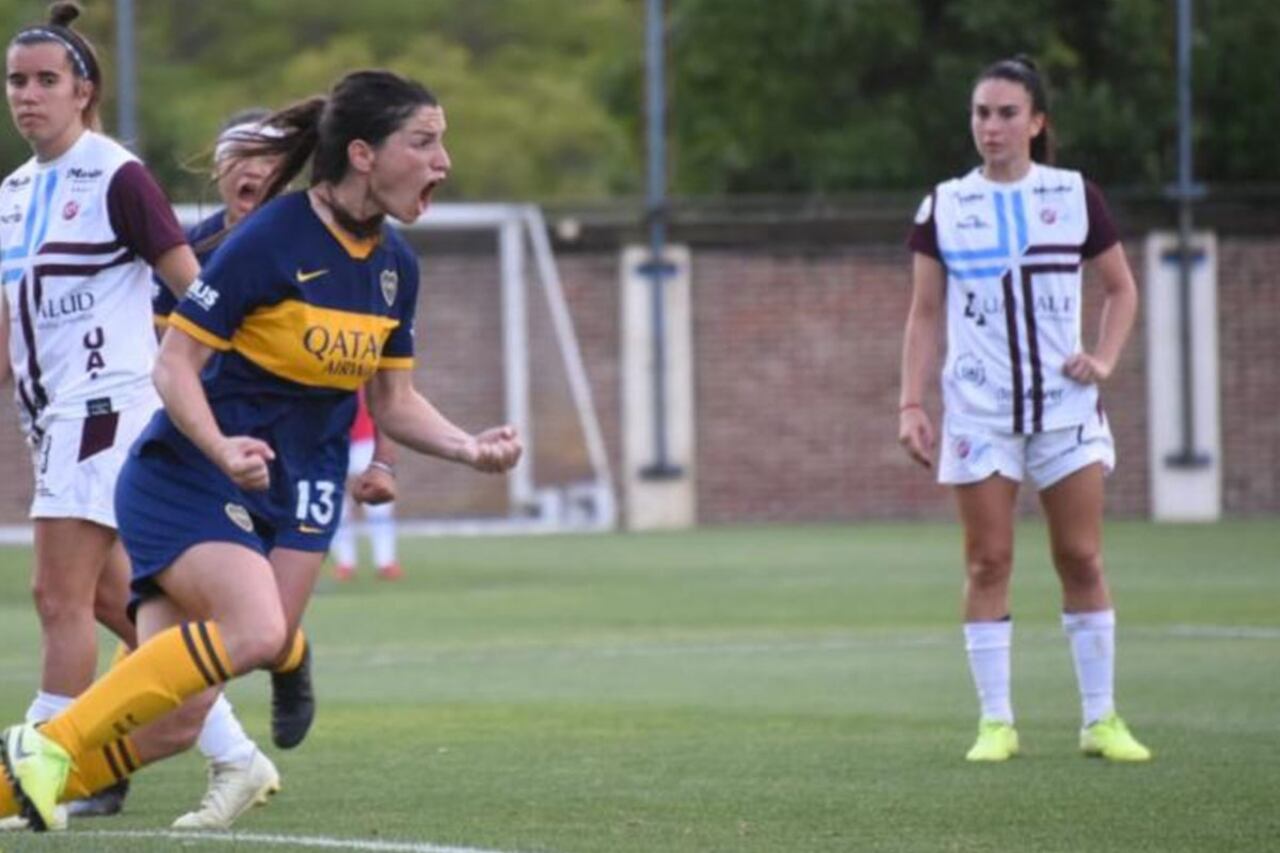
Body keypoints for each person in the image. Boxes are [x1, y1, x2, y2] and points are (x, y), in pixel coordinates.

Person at [0, 67, 522, 832]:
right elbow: (173, 366)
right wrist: (220, 446)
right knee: (256, 628)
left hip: (290, 481)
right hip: (187, 474)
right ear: (363, 154)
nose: (442, 160)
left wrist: (469, 448)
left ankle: (15, 786)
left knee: (181, 719)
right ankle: (46, 745)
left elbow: (394, 402)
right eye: (424, 142)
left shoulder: (395, 267)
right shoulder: (271, 238)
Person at [0, 5, 282, 833]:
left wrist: (220, 393)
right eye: (16, 81)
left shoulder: (117, 176)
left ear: (84, 90)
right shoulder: (11, 194)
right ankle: (236, 754)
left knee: (55, 592)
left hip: (110, 407)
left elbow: (197, 288)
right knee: (117, 599)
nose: (27, 95)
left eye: (46, 80)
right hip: (53, 418)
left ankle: (38, 773)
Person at [898, 55, 1149, 763]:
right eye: (982, 113)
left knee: (1081, 555)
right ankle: (995, 723)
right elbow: (923, 313)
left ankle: (1100, 719)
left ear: (1037, 122)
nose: (992, 126)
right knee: (988, 561)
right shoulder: (945, 205)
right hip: (979, 412)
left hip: (1065, 410)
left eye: (1008, 113)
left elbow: (1122, 289)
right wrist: (911, 402)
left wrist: (1103, 359)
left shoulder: (1074, 196)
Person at [330, 387, 401, 581]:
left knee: (379, 499)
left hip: (366, 440)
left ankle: (386, 561)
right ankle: (345, 562)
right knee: (335, 500)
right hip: (335, 441)